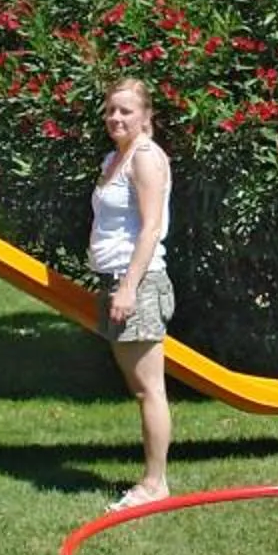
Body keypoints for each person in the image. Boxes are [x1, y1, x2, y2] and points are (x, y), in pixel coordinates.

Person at [89, 77, 175, 510]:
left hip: (136, 282)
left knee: (149, 389)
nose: (116, 118)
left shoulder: (145, 158)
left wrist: (127, 287)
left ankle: (155, 484)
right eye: (111, 110)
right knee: (140, 388)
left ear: (145, 116)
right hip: (116, 281)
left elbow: (151, 228)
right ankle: (152, 479)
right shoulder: (114, 158)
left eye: (126, 110)